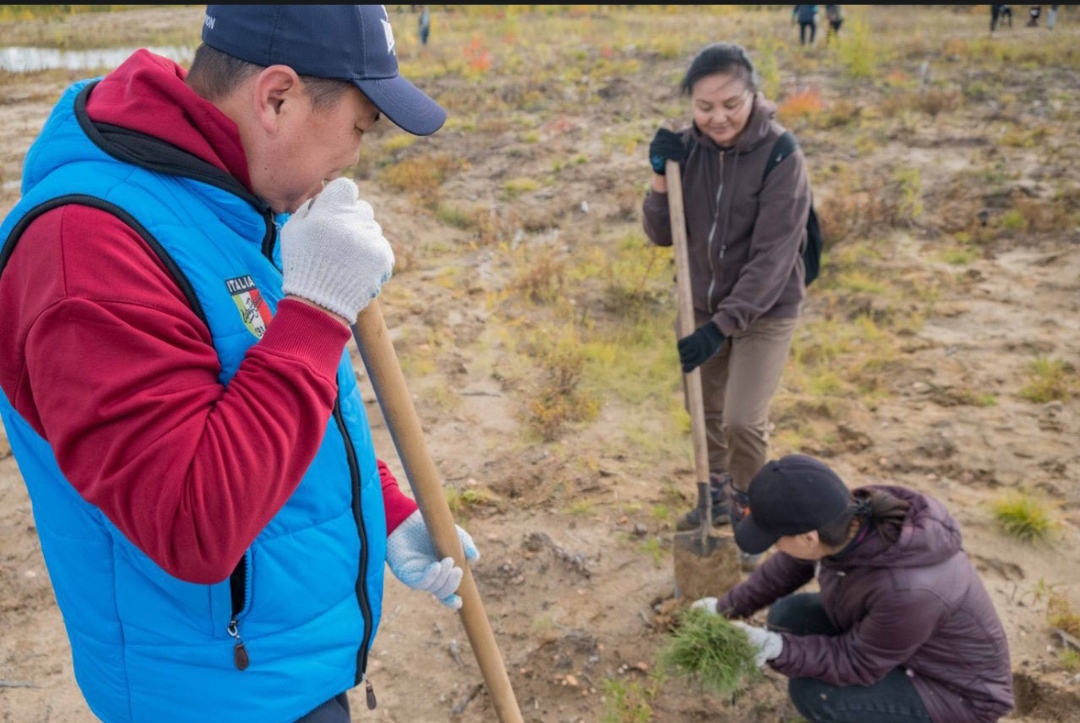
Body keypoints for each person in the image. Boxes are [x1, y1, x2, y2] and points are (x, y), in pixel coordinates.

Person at [0, 5, 479, 723]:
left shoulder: (225, 193)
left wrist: (383, 506)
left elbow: (254, 392)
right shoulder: (87, 252)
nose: (354, 157)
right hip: (210, 697)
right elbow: (191, 524)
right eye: (359, 126)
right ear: (277, 96)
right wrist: (316, 312)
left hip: (285, 667)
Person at [642, 43, 811, 569]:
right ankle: (712, 495)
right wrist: (659, 174)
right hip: (699, 303)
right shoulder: (686, 150)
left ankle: (750, 508)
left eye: (731, 104)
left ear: (753, 95)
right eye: (705, 106)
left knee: (741, 419)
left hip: (765, 308)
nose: (718, 117)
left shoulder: (781, 154)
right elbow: (660, 233)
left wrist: (722, 326)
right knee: (704, 409)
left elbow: (773, 258)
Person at [692, 455, 1015, 723]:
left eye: (775, 539)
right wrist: (724, 609)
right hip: (903, 648)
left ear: (809, 538)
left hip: (955, 695)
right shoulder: (845, 518)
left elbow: (857, 662)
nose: (774, 547)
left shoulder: (907, 590)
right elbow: (790, 565)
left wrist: (774, 647)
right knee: (789, 616)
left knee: (817, 695)